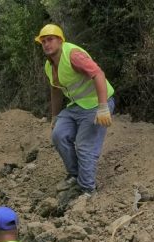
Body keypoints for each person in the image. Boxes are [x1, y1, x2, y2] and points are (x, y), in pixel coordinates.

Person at [35, 24, 115, 199]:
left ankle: (87, 191)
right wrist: (55, 116)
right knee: (59, 135)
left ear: (60, 40)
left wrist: (103, 107)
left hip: (96, 103)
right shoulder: (49, 66)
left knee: (85, 146)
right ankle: (74, 175)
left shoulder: (73, 55)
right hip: (77, 105)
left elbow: (98, 74)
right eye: (43, 41)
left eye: (50, 40)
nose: (46, 44)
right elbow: (55, 89)